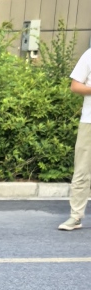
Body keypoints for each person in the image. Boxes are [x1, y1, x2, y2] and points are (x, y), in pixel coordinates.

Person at [62, 46, 91, 230]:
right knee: (82, 171)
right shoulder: (89, 55)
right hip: (89, 122)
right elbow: (75, 85)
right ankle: (76, 217)